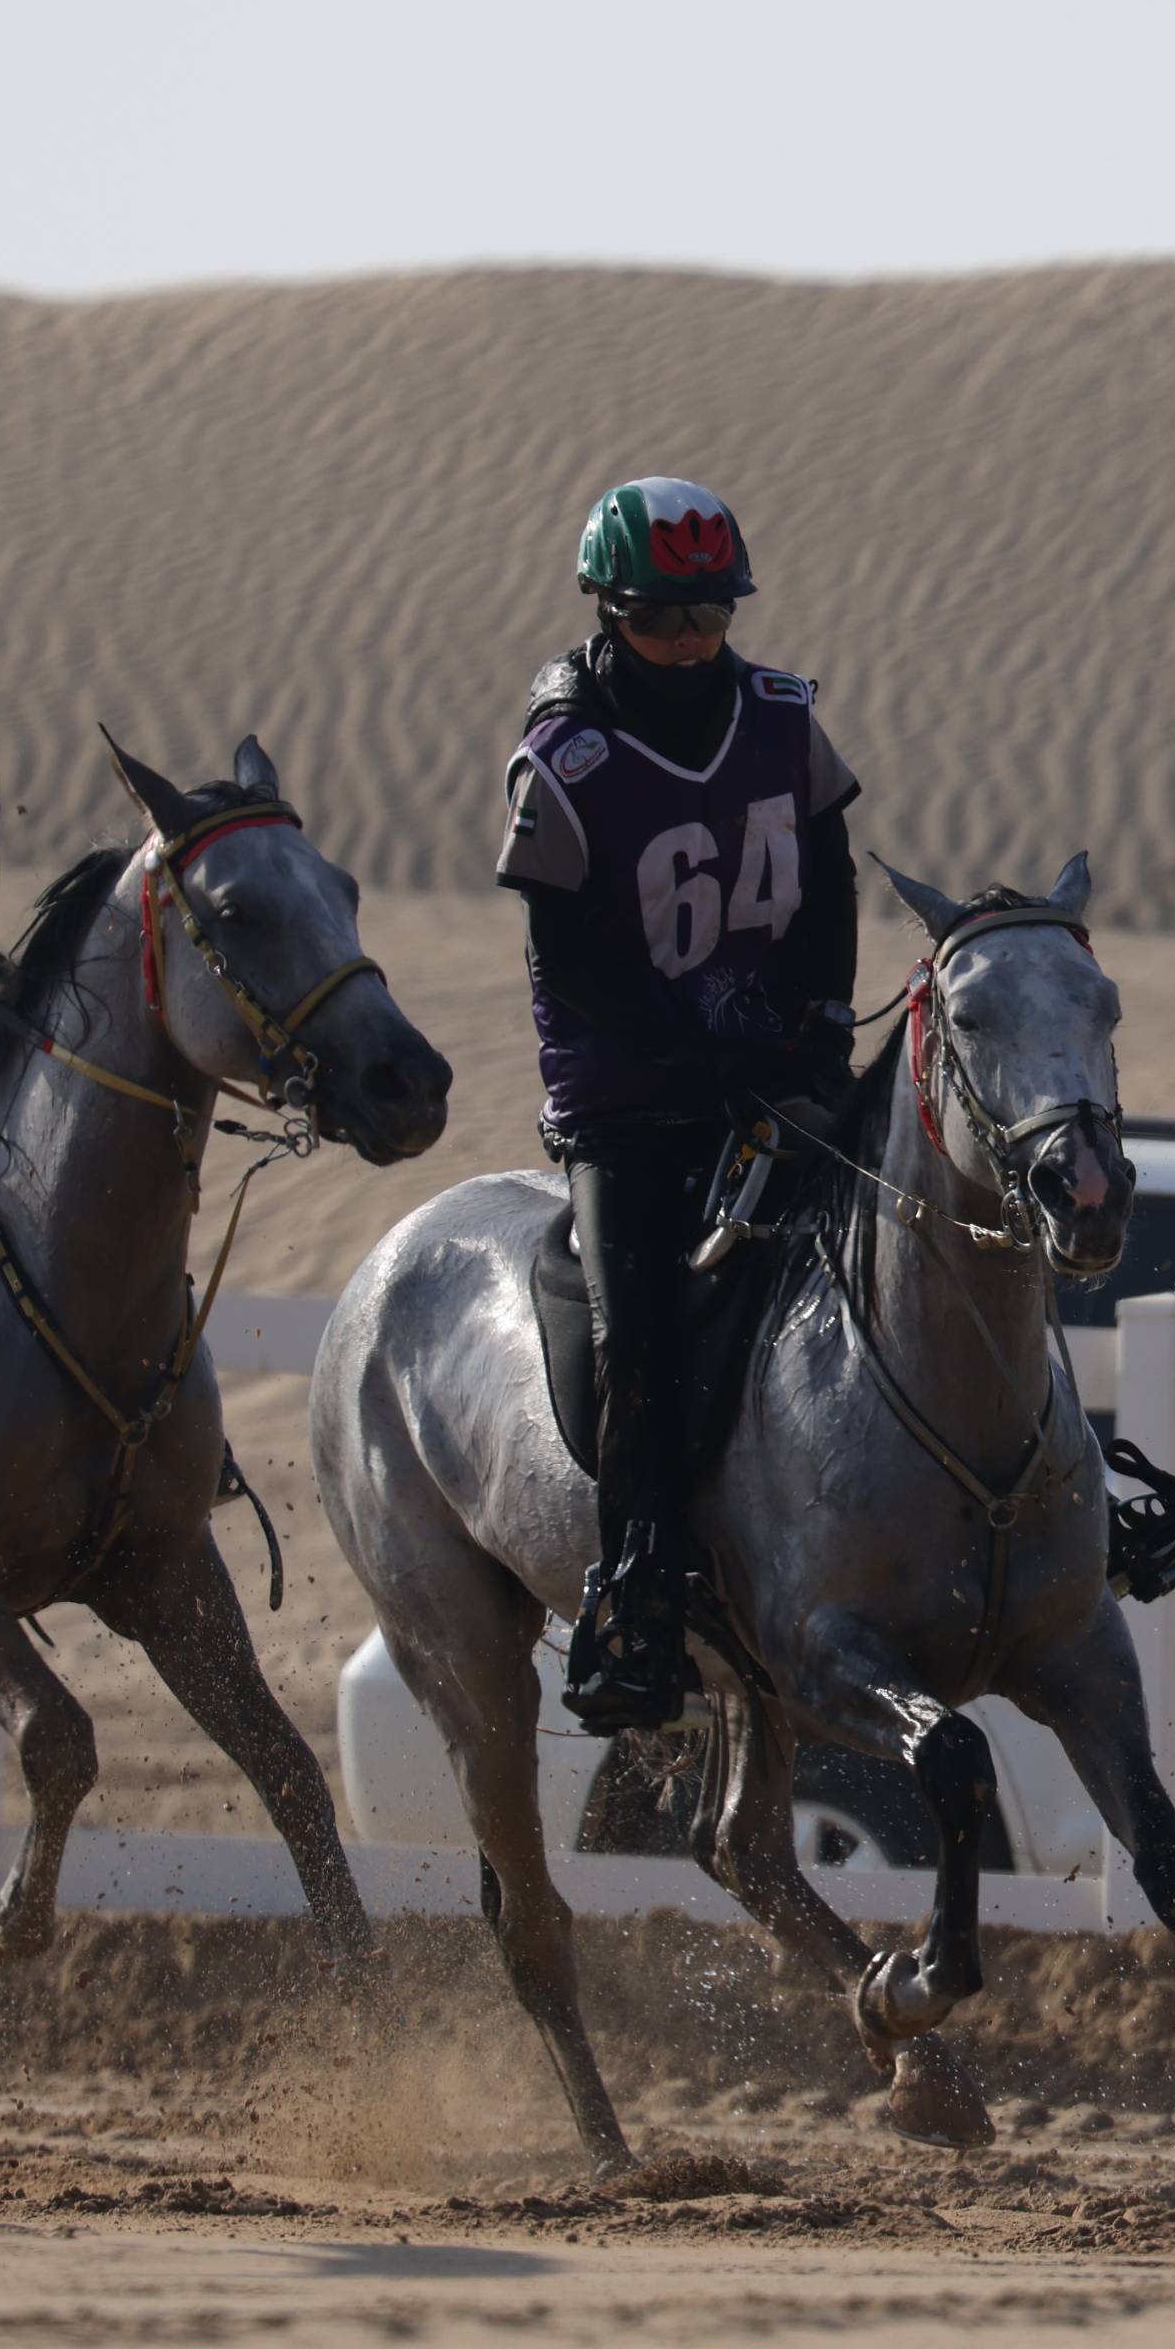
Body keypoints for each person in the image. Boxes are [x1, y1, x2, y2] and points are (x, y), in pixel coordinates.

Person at [493, 476, 861, 1731]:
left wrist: (818, 1020)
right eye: (662, 620)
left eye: (709, 615)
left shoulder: (780, 717)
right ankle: (635, 1593)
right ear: (606, 610)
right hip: (629, 1112)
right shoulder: (564, 759)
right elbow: (569, 963)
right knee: (638, 1335)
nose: (692, 642)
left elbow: (830, 887)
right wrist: (688, 1056)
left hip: (774, 1073)